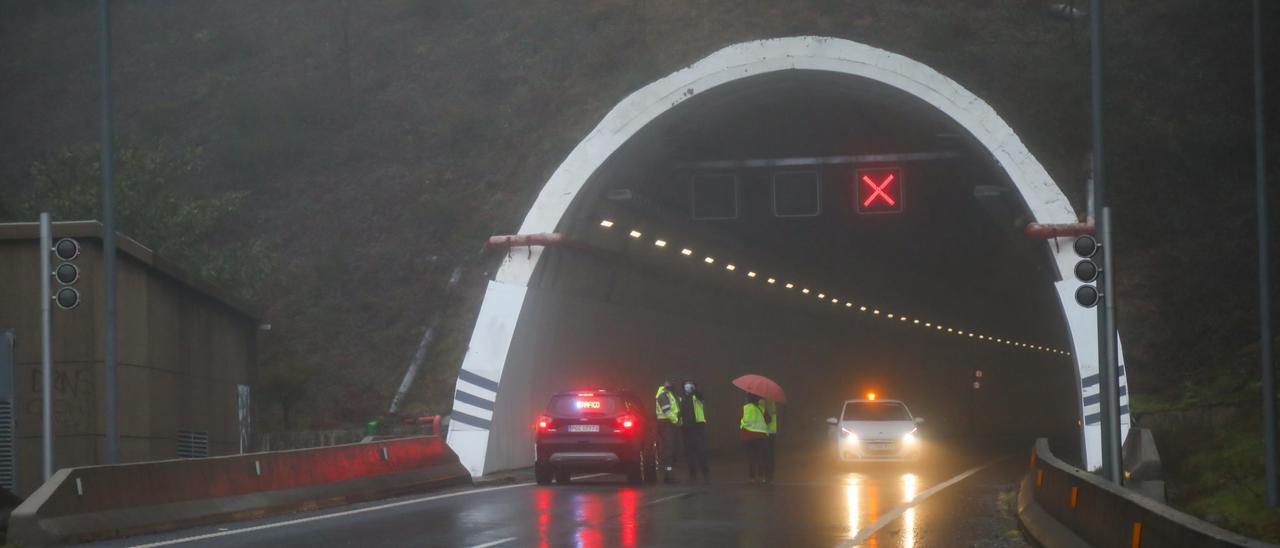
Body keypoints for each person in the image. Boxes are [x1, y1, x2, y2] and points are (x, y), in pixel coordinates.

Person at [681, 380, 710, 483]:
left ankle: (705, 473)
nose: (688, 386)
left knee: (700, 450)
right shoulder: (682, 397)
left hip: (698, 426)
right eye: (686, 384)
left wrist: (694, 391)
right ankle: (692, 474)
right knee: (689, 452)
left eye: (690, 384)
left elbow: (701, 398)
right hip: (686, 428)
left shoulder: (697, 395)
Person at [655, 379, 682, 483]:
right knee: (669, 449)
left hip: (671, 424)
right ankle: (668, 474)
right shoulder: (663, 395)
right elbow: (667, 411)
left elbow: (677, 408)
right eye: (667, 382)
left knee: (673, 448)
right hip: (666, 423)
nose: (669, 384)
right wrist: (676, 421)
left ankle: (669, 473)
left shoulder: (671, 394)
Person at [740, 393, 771, 483]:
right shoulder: (761, 408)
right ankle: (761, 477)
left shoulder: (744, 408)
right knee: (760, 457)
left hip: (747, 436)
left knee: (751, 458)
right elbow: (768, 419)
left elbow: (739, 419)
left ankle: (752, 478)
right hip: (760, 436)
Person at [762, 399, 778, 483]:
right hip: (769, 431)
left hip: (768, 431)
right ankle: (769, 475)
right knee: (769, 454)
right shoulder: (770, 402)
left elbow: (768, 418)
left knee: (767, 454)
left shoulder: (768, 403)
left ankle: (768, 475)